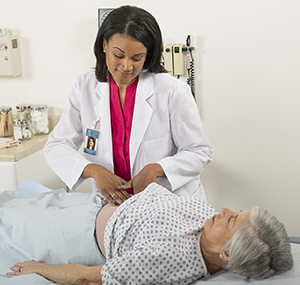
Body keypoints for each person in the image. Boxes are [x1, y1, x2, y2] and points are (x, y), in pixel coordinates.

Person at [43, 5, 213, 206]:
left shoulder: (172, 91)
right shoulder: (85, 87)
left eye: (137, 58)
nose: (126, 66)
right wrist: (94, 171)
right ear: (104, 45)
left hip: (169, 202)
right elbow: (56, 145)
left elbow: (198, 151)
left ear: (148, 54)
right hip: (112, 204)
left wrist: (156, 169)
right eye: (119, 55)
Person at [4, 182, 293, 284]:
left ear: (226, 253)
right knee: (13, 199)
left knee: (9, 218)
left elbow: (87, 277)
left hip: (78, 234)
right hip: (94, 205)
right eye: (235, 212)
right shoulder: (207, 224)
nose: (226, 209)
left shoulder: (171, 260)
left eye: (230, 220)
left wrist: (37, 268)